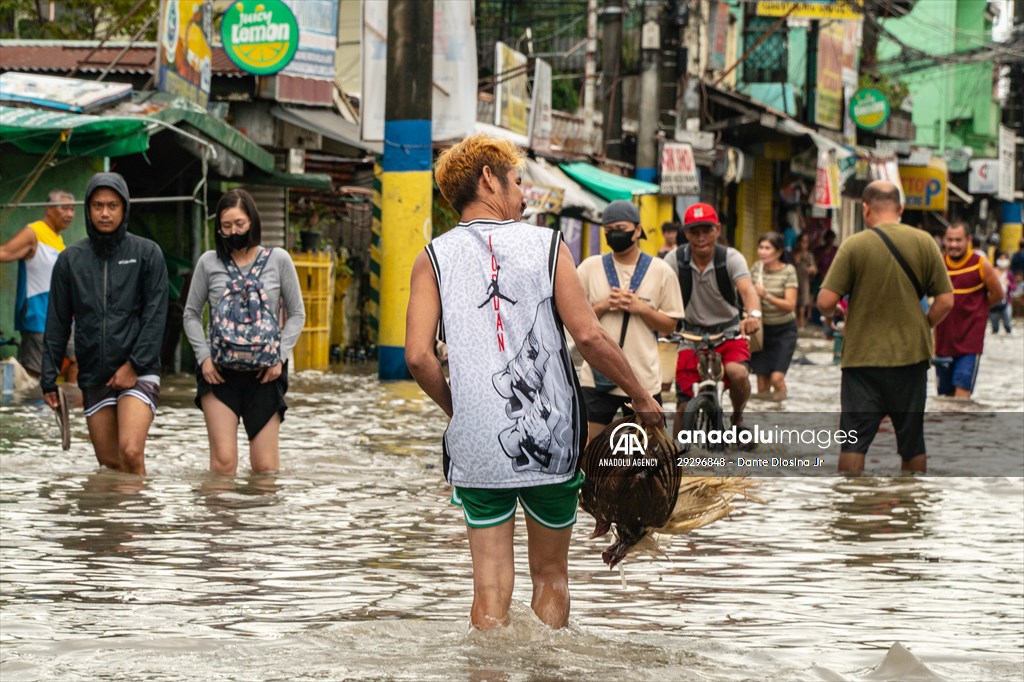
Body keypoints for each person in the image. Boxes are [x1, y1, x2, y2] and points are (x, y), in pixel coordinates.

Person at [404, 134, 663, 631]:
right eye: (519, 181)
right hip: (550, 436)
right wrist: (640, 393)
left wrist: (460, 410)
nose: (523, 195)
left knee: (490, 588)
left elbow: (418, 357)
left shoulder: (431, 257)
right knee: (550, 576)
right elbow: (588, 336)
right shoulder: (547, 244)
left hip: (478, 444)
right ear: (488, 179)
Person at [817, 181, 953, 474]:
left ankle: (850, 506)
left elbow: (825, 301)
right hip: (911, 358)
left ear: (865, 209)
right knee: (912, 443)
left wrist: (837, 316)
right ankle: (911, 506)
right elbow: (945, 301)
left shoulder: (855, 245)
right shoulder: (925, 242)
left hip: (861, 362)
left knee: (852, 443)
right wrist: (922, 325)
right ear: (901, 209)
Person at [40, 173, 168, 475]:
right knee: (110, 464)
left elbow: (155, 316)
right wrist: (48, 378)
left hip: (140, 371)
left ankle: (135, 522)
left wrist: (134, 365)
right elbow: (57, 321)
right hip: (95, 375)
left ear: (124, 208)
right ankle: (116, 522)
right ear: (88, 209)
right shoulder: (71, 260)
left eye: (112, 205)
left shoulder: (147, 254)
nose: (105, 213)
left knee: (131, 451)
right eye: (98, 205)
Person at [183, 189, 305, 476]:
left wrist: (280, 357)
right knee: (223, 464)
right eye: (226, 226)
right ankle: (219, 520)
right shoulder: (208, 263)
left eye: (239, 224)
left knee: (265, 468)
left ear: (253, 222)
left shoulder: (279, 260)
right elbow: (190, 314)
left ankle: (259, 523)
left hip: (266, 374)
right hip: (219, 373)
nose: (233, 231)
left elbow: (297, 313)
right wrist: (203, 358)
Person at [577, 200, 684, 443]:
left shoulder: (661, 270)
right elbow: (576, 322)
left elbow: (669, 326)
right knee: (588, 454)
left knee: (647, 457)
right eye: (609, 229)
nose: (615, 233)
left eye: (621, 227)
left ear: (637, 230)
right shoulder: (589, 268)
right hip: (596, 378)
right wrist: (604, 306)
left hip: (643, 378)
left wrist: (640, 308)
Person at [663, 203, 761, 438]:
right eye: (694, 232)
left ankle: (737, 417)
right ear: (686, 234)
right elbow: (659, 291)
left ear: (717, 230)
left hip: (728, 332)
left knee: (737, 373)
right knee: (683, 404)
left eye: (706, 230)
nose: (700, 238)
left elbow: (748, 291)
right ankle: (677, 458)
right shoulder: (674, 260)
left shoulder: (730, 258)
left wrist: (753, 315)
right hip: (690, 335)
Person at [0, 189, 77, 380]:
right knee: (36, 374)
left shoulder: (57, 238)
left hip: (63, 318)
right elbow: (5, 253)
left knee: (79, 360)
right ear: (49, 209)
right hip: (38, 317)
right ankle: (32, 409)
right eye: (64, 208)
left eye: (72, 209)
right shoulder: (34, 232)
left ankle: (75, 408)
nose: (69, 214)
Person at [932, 222, 1004, 399]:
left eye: (958, 240)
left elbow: (997, 294)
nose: (954, 245)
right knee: (944, 399)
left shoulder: (980, 265)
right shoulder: (939, 264)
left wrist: (979, 309)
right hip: (943, 343)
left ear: (968, 240)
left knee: (962, 398)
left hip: (970, 344)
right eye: (950, 240)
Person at [749, 232, 799, 401]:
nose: (762, 252)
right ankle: (765, 419)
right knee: (761, 383)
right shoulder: (756, 268)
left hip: (784, 331)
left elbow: (790, 305)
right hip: (761, 332)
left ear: (778, 252)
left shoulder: (789, 271)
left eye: (767, 248)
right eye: (761, 247)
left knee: (776, 378)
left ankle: (781, 414)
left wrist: (766, 296)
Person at [791, 230, 817, 329]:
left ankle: (801, 325)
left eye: (806, 242)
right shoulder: (792, 254)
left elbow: (814, 269)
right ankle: (793, 324)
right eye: (802, 241)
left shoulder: (808, 255)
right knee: (793, 303)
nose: (804, 244)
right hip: (792, 281)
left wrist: (811, 270)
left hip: (803, 281)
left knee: (802, 304)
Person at [989, 252, 1014, 334]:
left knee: (1007, 326)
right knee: (995, 328)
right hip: (994, 302)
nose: (1002, 260)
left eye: (1004, 258)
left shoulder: (1009, 273)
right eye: (1001, 258)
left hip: (1006, 301)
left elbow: (1014, 287)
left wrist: (1009, 284)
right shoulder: (992, 272)